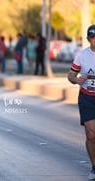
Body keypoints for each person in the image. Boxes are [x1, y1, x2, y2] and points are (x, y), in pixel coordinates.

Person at [67, 24, 95, 180]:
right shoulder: (81, 55)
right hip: (87, 97)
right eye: (93, 38)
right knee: (91, 134)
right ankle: (94, 166)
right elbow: (70, 75)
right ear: (88, 39)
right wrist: (76, 80)